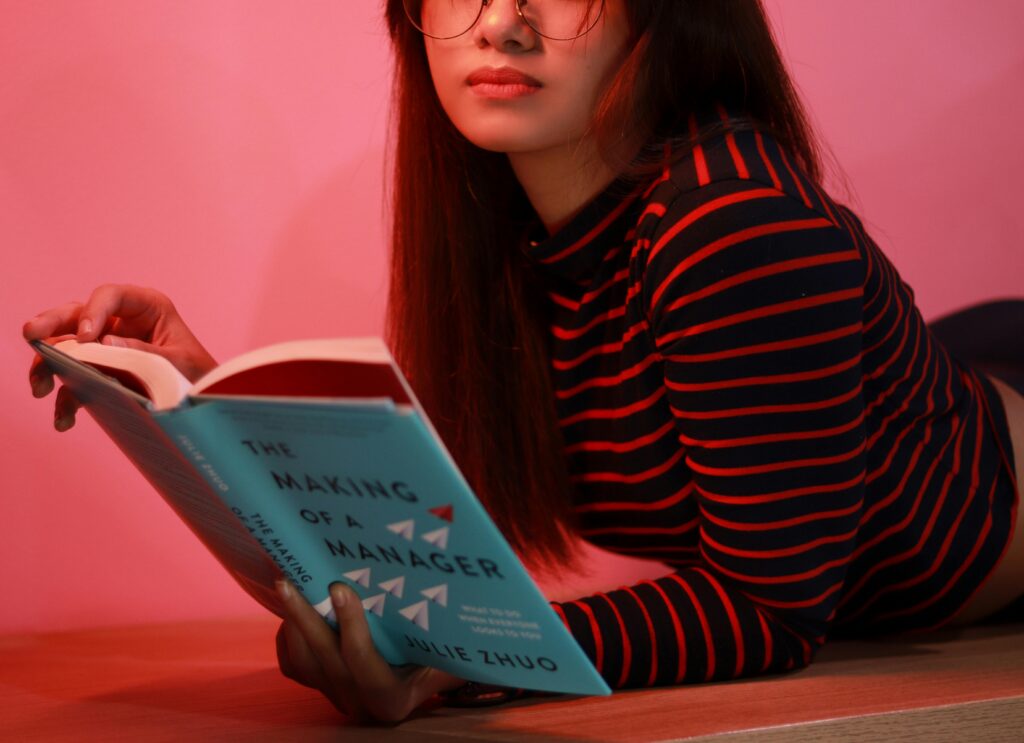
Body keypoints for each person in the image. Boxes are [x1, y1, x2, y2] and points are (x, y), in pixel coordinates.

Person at [22, 0, 1024, 724]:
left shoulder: (732, 222)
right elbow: (432, 527)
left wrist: (462, 664)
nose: (499, 22)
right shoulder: (510, 231)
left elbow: (768, 608)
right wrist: (205, 403)